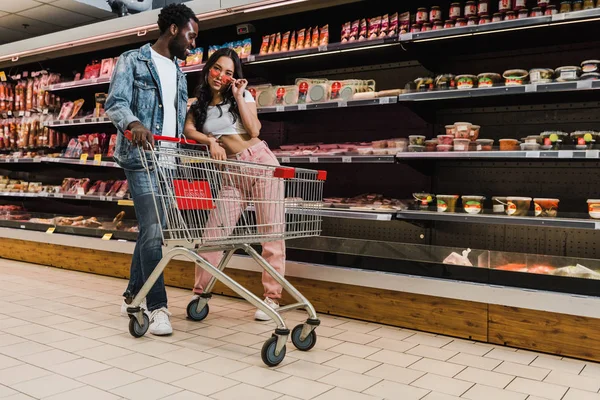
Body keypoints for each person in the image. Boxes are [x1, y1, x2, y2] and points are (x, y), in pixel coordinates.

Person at [105, 3, 199, 335]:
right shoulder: (133, 60)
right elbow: (115, 102)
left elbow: (176, 120)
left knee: (150, 230)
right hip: (140, 157)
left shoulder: (180, 73)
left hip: (169, 161)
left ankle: (133, 294)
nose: (193, 43)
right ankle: (157, 307)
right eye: (191, 35)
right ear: (173, 29)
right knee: (155, 230)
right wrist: (133, 122)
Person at [184, 48, 285, 321]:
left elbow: (254, 131)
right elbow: (189, 130)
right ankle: (200, 293)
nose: (221, 76)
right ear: (208, 70)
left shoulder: (243, 96)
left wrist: (239, 95)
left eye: (229, 72)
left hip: (261, 163)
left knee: (271, 234)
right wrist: (211, 142)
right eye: (217, 69)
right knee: (213, 235)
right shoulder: (198, 105)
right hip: (231, 174)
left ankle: (271, 299)